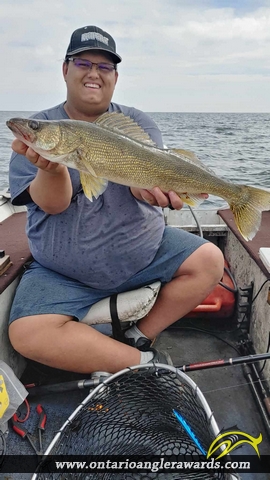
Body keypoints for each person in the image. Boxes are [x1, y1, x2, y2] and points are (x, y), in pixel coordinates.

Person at [8, 25, 224, 374]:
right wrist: (51, 168)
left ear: (115, 77)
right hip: (63, 272)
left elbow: (145, 179)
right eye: (83, 63)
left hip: (142, 255)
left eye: (104, 66)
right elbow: (53, 205)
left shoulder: (135, 121)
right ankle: (143, 363)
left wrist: (153, 191)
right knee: (26, 334)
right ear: (65, 69)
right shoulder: (42, 129)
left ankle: (141, 335)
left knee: (211, 260)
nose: (94, 73)